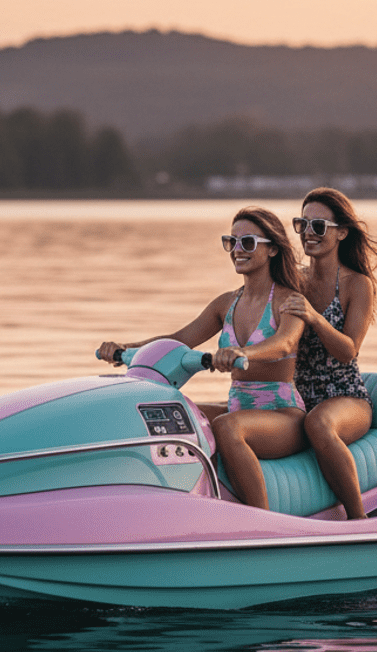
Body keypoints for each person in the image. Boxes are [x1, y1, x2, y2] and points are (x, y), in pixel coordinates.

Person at [97, 207, 307, 511]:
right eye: (230, 242)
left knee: (226, 428)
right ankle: (168, 504)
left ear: (272, 249)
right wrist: (125, 349)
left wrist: (242, 353)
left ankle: (263, 520)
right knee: (170, 415)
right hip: (238, 407)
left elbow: (284, 343)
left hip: (284, 416)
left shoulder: (289, 301)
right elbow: (180, 339)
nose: (237, 250)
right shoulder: (226, 303)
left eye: (247, 243)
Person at [280, 187, 377, 520]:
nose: (309, 233)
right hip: (297, 397)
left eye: (319, 226)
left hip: (345, 397)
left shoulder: (358, 284)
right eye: (302, 224)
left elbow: (348, 351)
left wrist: (312, 316)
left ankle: (359, 520)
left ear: (341, 232)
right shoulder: (293, 281)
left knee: (320, 423)